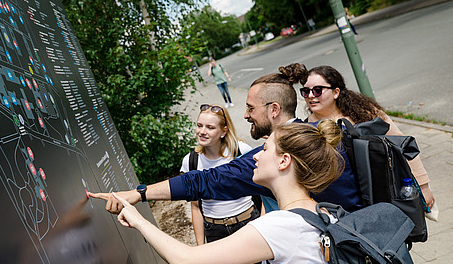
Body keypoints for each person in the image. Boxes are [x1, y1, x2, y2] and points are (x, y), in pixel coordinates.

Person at [90, 63, 364, 214]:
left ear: (274, 110)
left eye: (250, 108)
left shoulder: (275, 157)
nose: (245, 115)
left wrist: (140, 193)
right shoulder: (316, 134)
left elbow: (204, 181)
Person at [104, 121, 344, 264]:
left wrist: (137, 218)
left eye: (265, 149)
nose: (256, 156)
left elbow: (184, 261)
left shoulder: (279, 226)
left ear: (284, 161)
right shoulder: (322, 212)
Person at [293, 64, 435, 208]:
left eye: (317, 90)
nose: (310, 96)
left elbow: (403, 146)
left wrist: (423, 187)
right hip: (342, 207)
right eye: (305, 91)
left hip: (384, 194)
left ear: (336, 92)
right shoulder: (306, 130)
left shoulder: (365, 114)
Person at [182, 104, 257, 264]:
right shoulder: (191, 162)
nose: (202, 131)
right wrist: (201, 248)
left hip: (248, 224)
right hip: (216, 232)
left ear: (223, 131)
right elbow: (195, 206)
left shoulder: (240, 151)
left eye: (210, 127)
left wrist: (264, 220)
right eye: (199, 125)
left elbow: (263, 188)